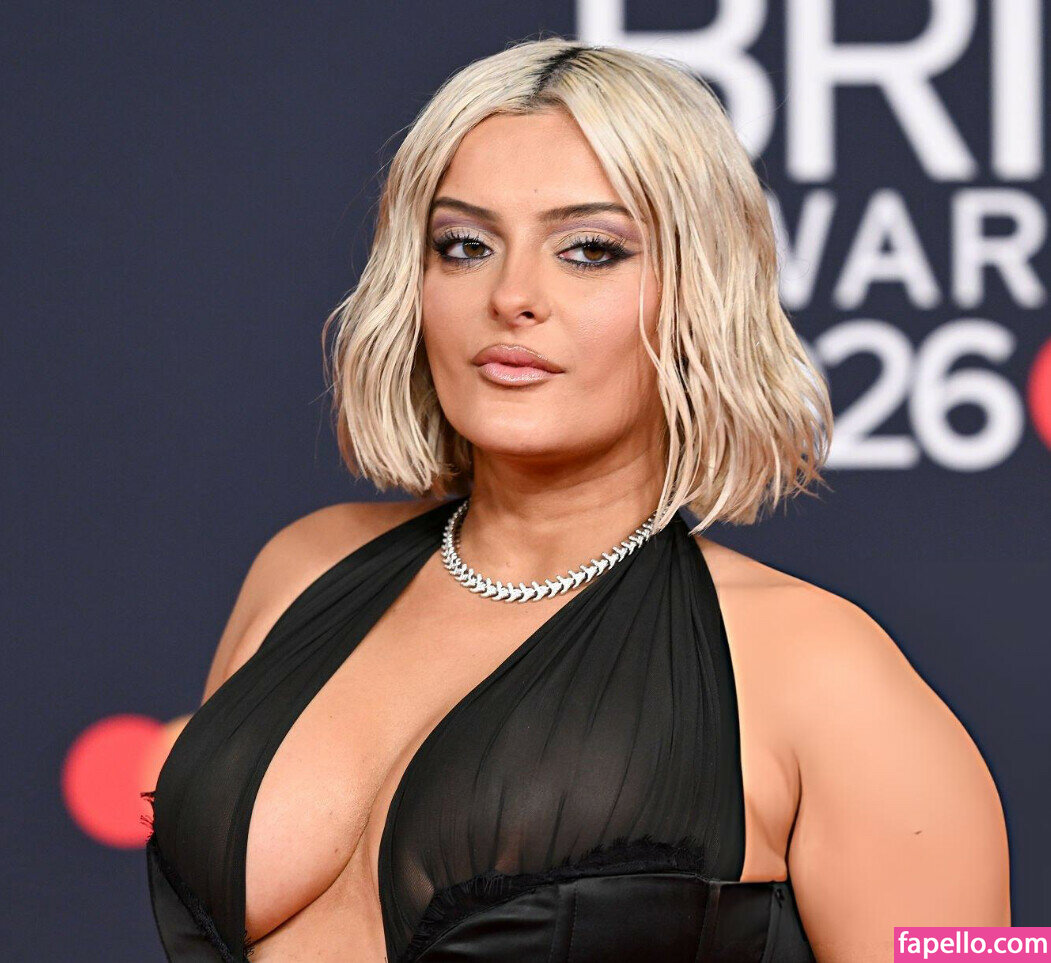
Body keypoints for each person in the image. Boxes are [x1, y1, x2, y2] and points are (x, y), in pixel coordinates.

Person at [143, 37, 1011, 963]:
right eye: (464, 246)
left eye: (590, 250)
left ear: (698, 292)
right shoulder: (303, 568)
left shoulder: (825, 670)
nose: (512, 295)